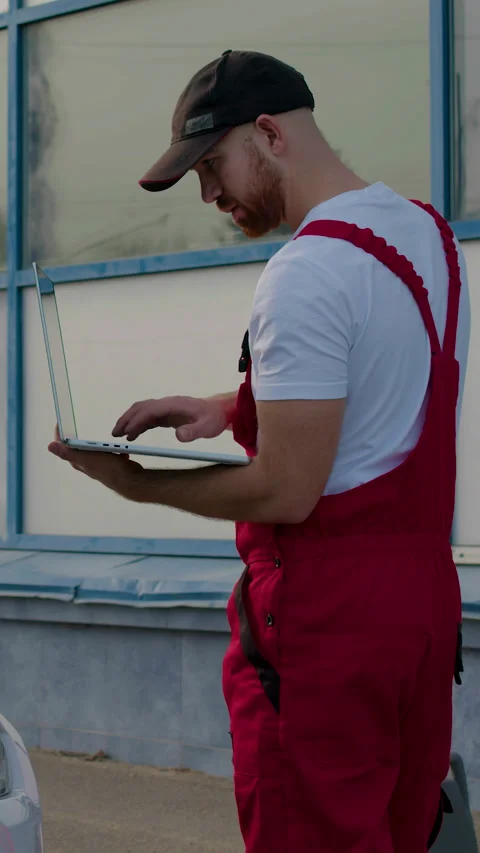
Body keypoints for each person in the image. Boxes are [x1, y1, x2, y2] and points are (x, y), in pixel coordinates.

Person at [49, 50, 471, 852]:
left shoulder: (303, 272)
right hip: (419, 613)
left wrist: (135, 484)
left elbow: (286, 491)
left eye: (210, 167)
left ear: (269, 133)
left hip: (326, 629)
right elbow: (382, 386)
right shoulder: (429, 238)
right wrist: (226, 404)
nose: (208, 196)